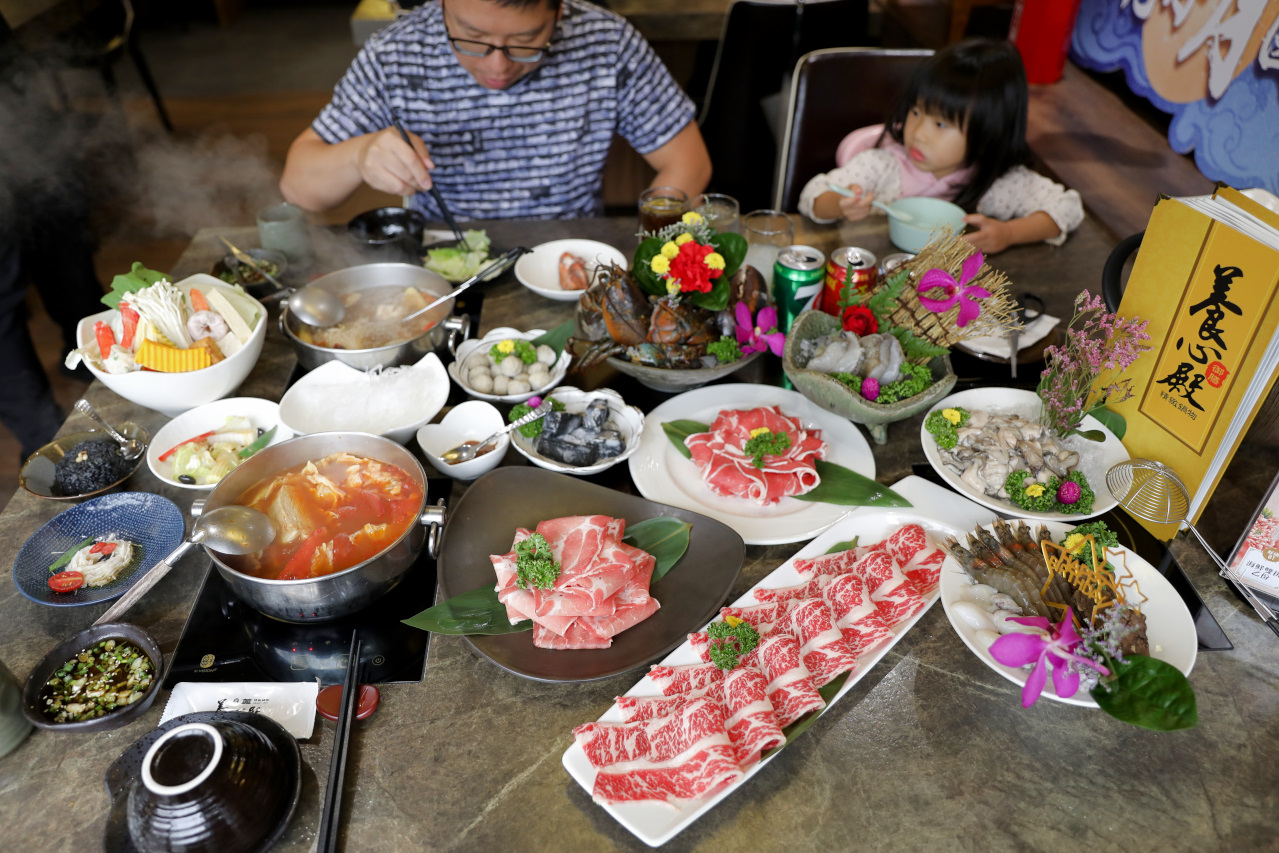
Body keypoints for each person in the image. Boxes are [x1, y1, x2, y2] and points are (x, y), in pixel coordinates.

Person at [280, 0, 711, 220]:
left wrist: (649, 252)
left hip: (569, 268)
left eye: (526, 42)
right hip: (448, 282)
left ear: (559, 10)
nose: (498, 66)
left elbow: (687, 162)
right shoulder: (396, 52)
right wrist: (360, 154)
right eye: (471, 38)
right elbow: (300, 188)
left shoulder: (605, 41)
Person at [798, 39, 1083, 254]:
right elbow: (812, 196)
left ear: (987, 135)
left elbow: (1067, 208)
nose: (918, 133)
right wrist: (840, 205)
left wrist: (1008, 233)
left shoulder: (997, 184)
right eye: (917, 112)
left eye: (941, 125)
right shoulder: (882, 166)